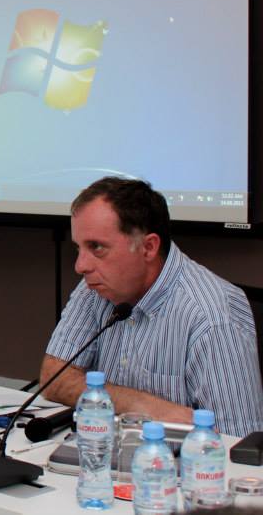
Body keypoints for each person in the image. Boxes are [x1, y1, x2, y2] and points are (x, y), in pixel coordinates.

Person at [41, 177, 263, 437]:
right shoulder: (96, 288)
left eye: (97, 247)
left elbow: (237, 446)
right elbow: (54, 378)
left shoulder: (212, 317)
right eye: (78, 248)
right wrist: (143, 406)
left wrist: (102, 397)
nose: (81, 266)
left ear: (148, 247)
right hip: (110, 452)